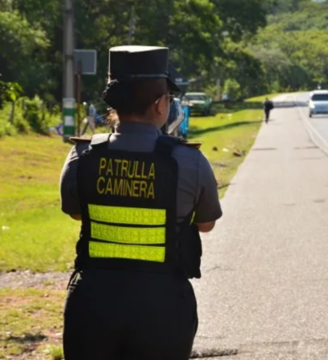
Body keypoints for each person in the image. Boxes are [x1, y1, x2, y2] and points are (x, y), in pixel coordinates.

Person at [59, 45, 223, 360]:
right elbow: (206, 223)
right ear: (162, 104)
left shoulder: (82, 155)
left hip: (92, 304)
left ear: (113, 105)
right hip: (162, 308)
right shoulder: (188, 160)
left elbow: (75, 212)